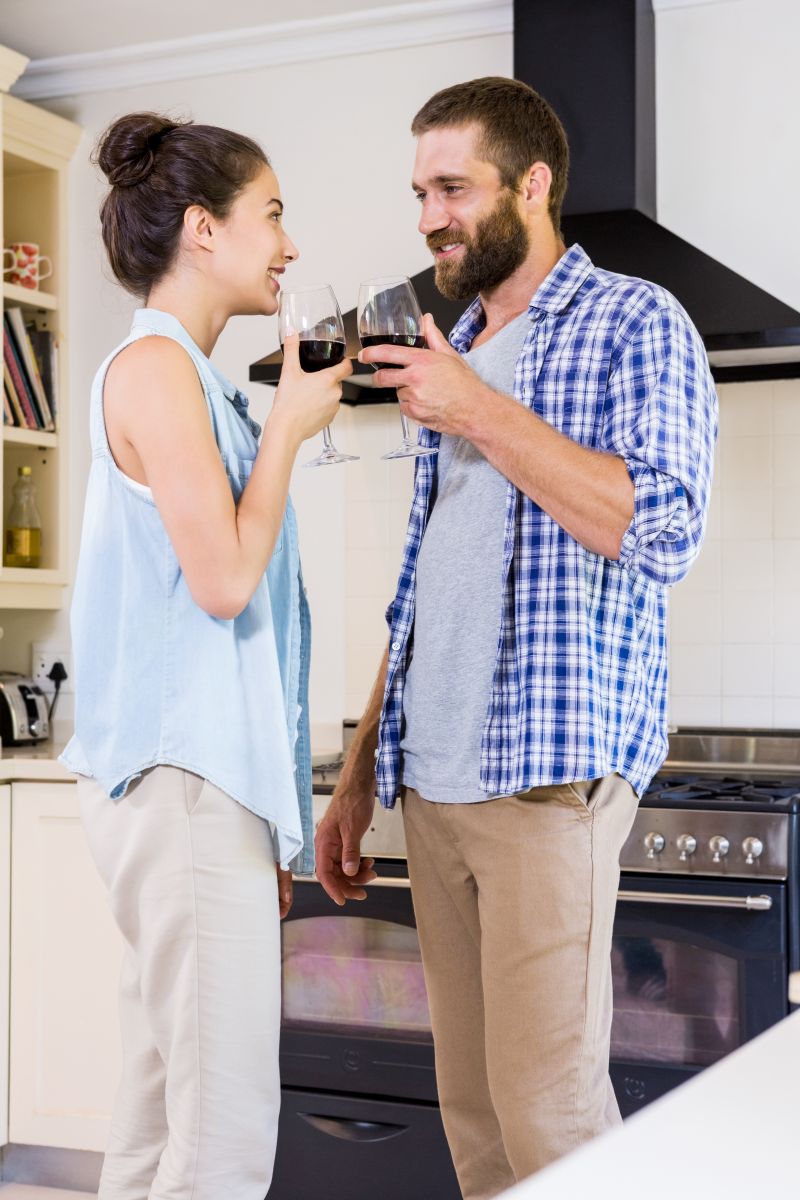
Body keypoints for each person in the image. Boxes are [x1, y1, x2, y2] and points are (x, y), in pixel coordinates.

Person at [315, 76, 717, 1199]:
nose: (428, 216)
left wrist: (476, 408)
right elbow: (420, 585)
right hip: (433, 783)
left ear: (531, 185)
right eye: (418, 192)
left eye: (451, 187)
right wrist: (358, 775)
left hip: (544, 780)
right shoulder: (455, 344)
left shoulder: (633, 321)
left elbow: (661, 529)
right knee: (478, 1121)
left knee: (552, 1122)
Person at [59, 112, 366, 1200]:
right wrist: (289, 424)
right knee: (225, 1132)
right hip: (184, 785)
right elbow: (226, 584)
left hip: (196, 790)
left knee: (158, 1112)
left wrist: (267, 819)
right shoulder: (156, 373)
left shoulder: (192, 379)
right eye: (271, 213)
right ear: (203, 228)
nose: (286, 241)